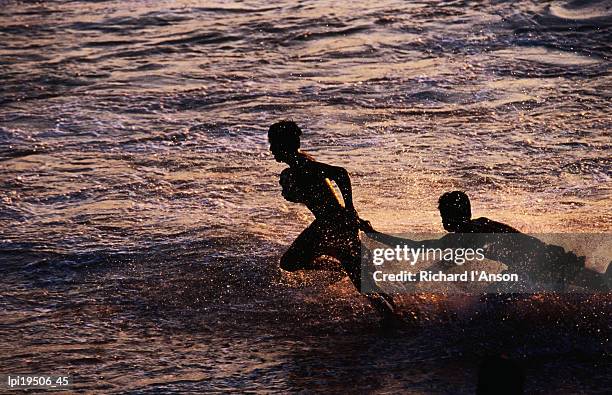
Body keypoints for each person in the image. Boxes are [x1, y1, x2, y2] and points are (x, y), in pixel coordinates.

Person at [269, 121, 395, 318]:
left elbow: (341, 173)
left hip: (334, 224)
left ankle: (395, 321)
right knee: (365, 283)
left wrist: (350, 209)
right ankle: (396, 317)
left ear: (283, 145)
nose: (271, 150)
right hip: (331, 223)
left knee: (364, 285)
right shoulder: (297, 167)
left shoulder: (304, 165)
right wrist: (293, 193)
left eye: (273, 144)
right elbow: (319, 195)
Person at [367, 191, 610, 291]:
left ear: (455, 216)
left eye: (445, 216)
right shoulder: (478, 225)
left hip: (538, 265)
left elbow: (418, 248)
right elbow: (445, 264)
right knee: (602, 284)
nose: (443, 222)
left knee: (488, 305)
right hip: (541, 258)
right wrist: (416, 278)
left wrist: (373, 235)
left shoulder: (469, 235)